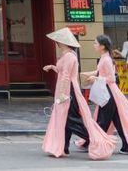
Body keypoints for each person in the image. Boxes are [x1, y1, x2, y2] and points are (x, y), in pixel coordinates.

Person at [42, 27, 116, 159]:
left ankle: (96, 141)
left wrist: (62, 95)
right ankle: (63, 147)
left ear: (63, 42)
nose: (56, 43)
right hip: (67, 89)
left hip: (68, 90)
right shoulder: (67, 55)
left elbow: (66, 76)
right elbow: (63, 72)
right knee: (66, 120)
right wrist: (53, 67)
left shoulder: (69, 56)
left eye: (57, 41)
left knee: (70, 119)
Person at [83, 35, 128, 154]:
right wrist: (90, 74)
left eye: (95, 43)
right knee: (117, 120)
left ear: (102, 46)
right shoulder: (105, 57)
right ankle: (125, 145)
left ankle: (96, 144)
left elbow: (111, 78)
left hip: (109, 92)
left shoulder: (106, 59)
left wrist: (95, 78)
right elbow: (100, 72)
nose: (94, 45)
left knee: (103, 120)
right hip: (109, 92)